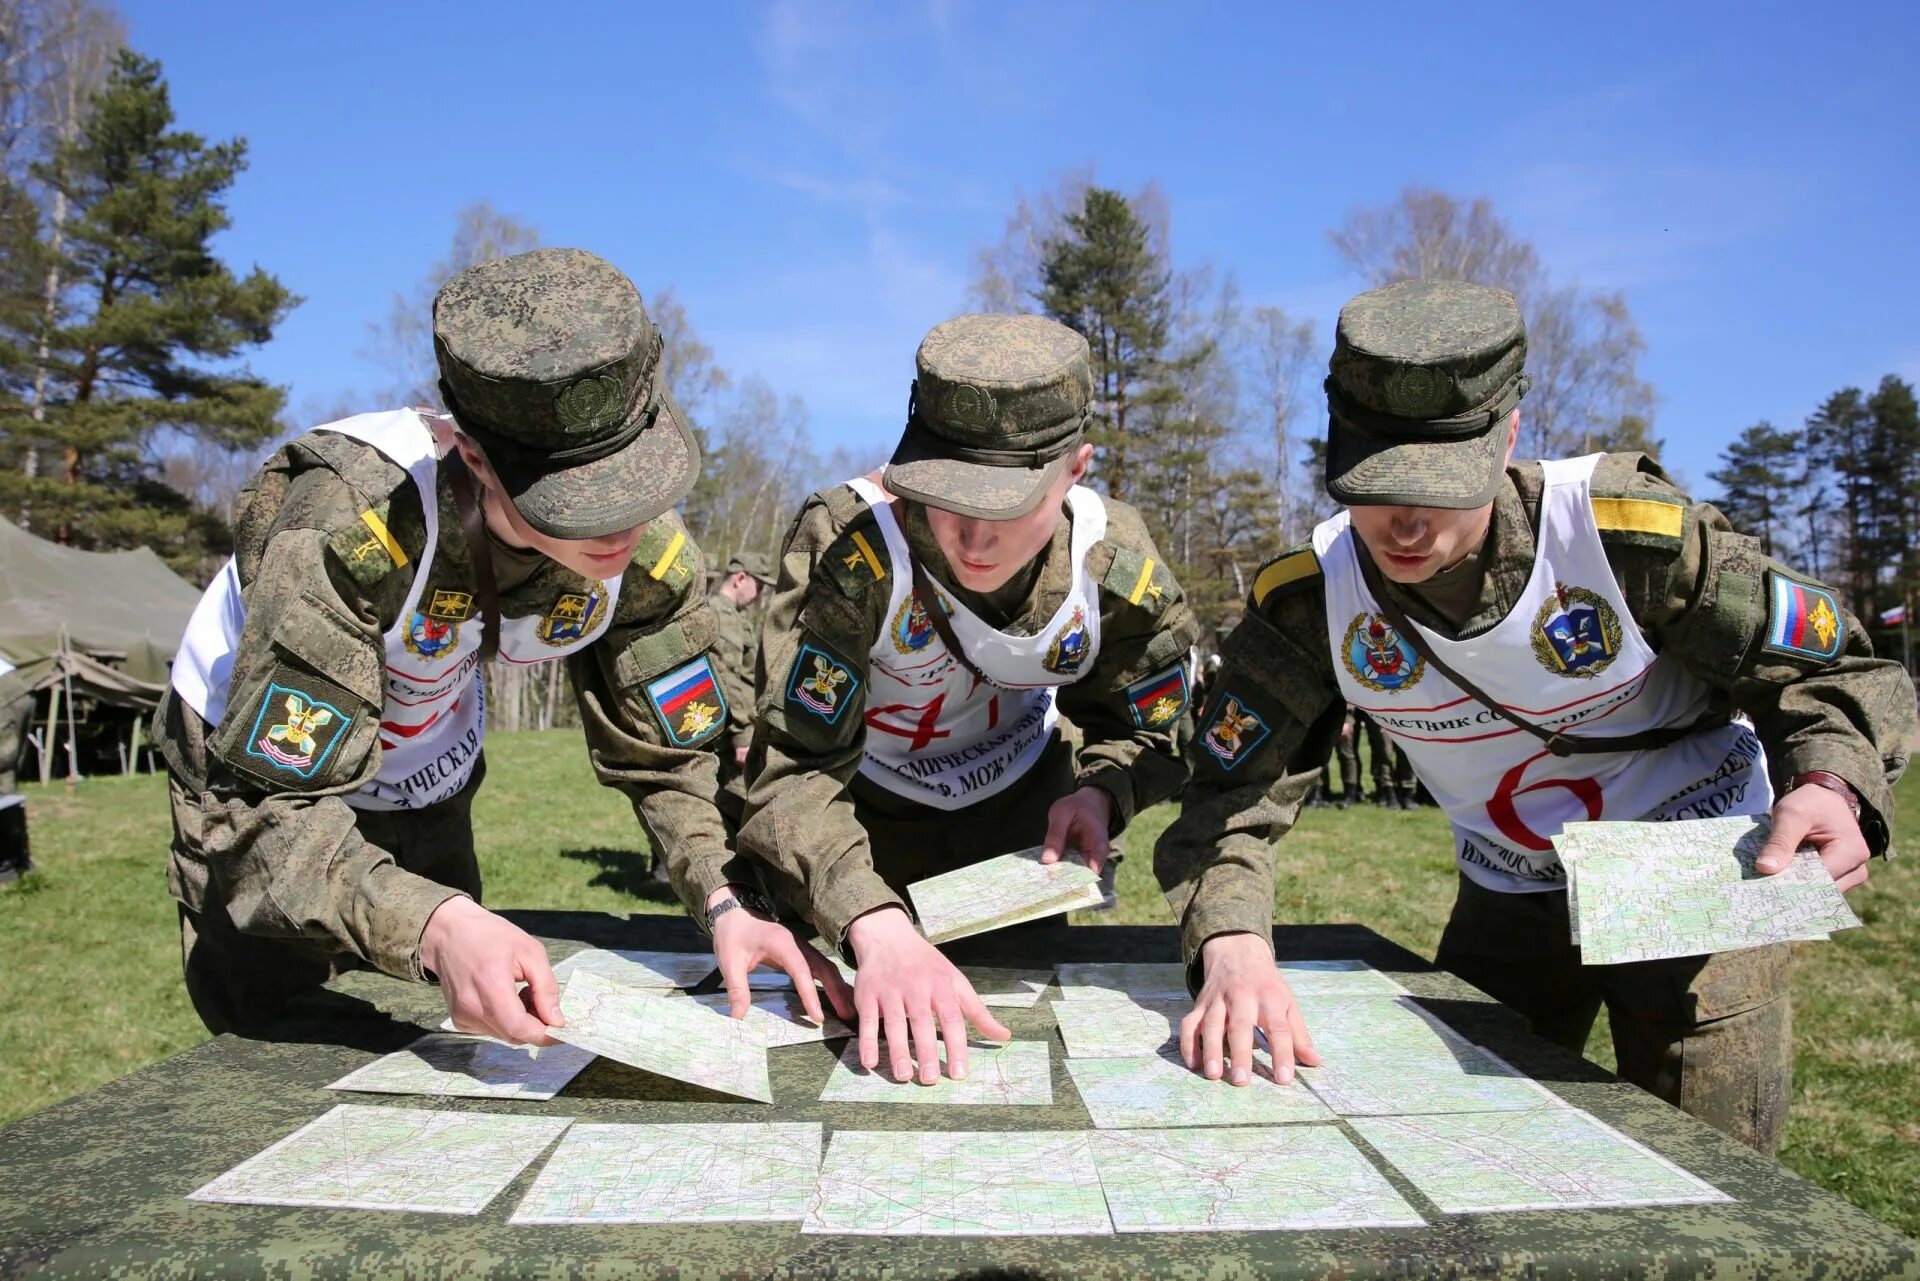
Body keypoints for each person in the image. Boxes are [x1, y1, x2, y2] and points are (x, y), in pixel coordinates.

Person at [1156, 279, 1910, 1152]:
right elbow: (1226, 799)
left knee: (1707, 1178)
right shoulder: (1311, 604)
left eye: (1441, 483)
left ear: (1508, 433)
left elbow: (1829, 666)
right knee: (1471, 1154)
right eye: (1374, 481)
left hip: (1702, 879)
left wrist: (1830, 781)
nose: (1405, 522)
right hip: (1511, 891)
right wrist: (1234, 937)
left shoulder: (1628, 539)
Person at [157, 248, 847, 1042]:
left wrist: (728, 903)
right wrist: (435, 924)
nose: (621, 523)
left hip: (423, 770)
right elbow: (263, 816)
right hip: (257, 770)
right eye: (577, 501)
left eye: (635, 479)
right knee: (280, 1034)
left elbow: (672, 753)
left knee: (452, 1028)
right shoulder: (351, 524)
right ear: (476, 458)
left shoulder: (648, 554)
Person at [735, 312, 1202, 1085]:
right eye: (946, 498)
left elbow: (1154, 728)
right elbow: (792, 772)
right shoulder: (853, 548)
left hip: (1025, 843)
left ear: (1076, 467)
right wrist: (868, 920)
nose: (971, 540)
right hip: (858, 834)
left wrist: (1104, 790)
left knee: (1015, 1063)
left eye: (1008, 506)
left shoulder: (1110, 561)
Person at [707, 551, 776, 834]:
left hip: (726, 728)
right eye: (758, 587)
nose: (759, 596)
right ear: (740, 578)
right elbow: (729, 680)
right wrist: (742, 735)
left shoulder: (732, 617)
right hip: (727, 732)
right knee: (733, 802)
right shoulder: (722, 617)